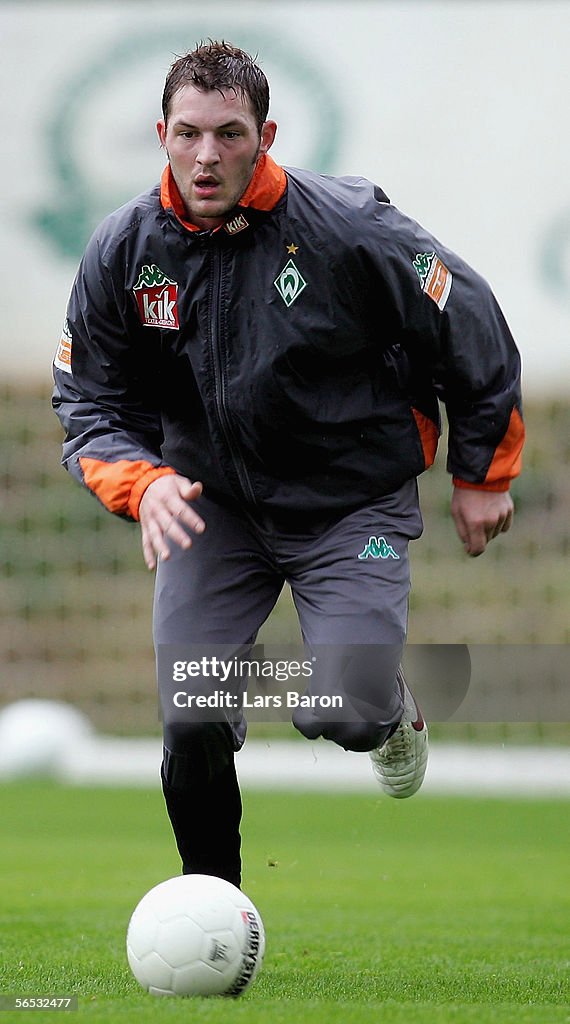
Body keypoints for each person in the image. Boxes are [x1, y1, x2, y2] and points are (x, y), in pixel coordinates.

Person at [53, 40, 524, 888]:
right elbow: (87, 403)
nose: (207, 156)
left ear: (266, 134)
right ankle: (213, 905)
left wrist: (482, 473)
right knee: (192, 713)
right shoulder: (123, 250)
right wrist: (145, 480)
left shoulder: (346, 228)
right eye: (189, 133)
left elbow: (467, 316)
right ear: (160, 132)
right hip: (210, 506)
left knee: (341, 706)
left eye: (229, 134)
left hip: (351, 505)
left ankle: (389, 715)